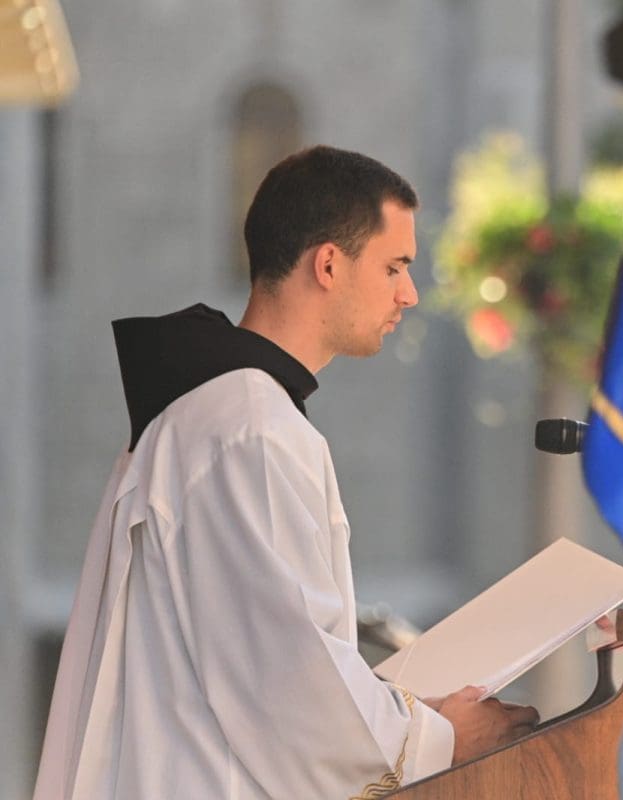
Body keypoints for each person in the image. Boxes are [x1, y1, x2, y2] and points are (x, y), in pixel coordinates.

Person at [33, 145, 539, 800]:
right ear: (328, 264)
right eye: (393, 267)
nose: (408, 293)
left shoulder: (229, 414)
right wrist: (441, 740)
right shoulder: (247, 427)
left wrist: (413, 717)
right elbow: (288, 682)